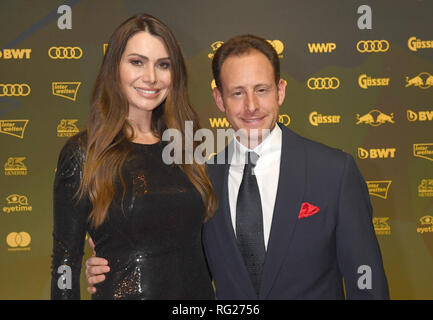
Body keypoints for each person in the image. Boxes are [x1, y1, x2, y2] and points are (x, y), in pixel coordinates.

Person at [86, 34, 390, 299]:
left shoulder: (334, 172)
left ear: (280, 91)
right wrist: (113, 262)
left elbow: (368, 285)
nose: (251, 107)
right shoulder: (199, 180)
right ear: (220, 99)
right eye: (237, 93)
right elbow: (177, 266)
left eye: (262, 90)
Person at [51, 13, 216, 300]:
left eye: (163, 65)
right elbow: (65, 263)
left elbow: (204, 245)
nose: (151, 77)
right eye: (137, 62)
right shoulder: (84, 152)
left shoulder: (188, 145)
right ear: (114, 67)